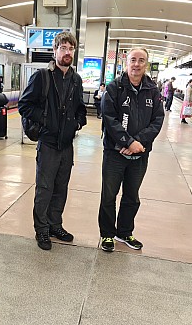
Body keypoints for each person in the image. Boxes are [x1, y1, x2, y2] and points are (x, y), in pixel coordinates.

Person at [18, 32, 87, 251]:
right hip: (48, 143)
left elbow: (79, 108)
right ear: (55, 50)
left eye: (71, 49)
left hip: (66, 145)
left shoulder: (75, 79)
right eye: (63, 48)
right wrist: (46, 120)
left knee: (61, 187)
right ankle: (42, 229)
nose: (67, 52)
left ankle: (55, 224)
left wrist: (78, 121)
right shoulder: (42, 77)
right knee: (45, 188)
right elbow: (24, 105)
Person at [98, 47, 164, 252]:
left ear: (146, 64)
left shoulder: (153, 91)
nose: (136, 64)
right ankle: (107, 235)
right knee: (109, 195)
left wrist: (137, 144)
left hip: (140, 153)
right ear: (127, 62)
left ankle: (124, 232)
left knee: (132, 195)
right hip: (114, 152)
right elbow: (109, 118)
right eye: (133, 60)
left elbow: (157, 120)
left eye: (141, 60)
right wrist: (127, 142)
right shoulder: (114, 88)